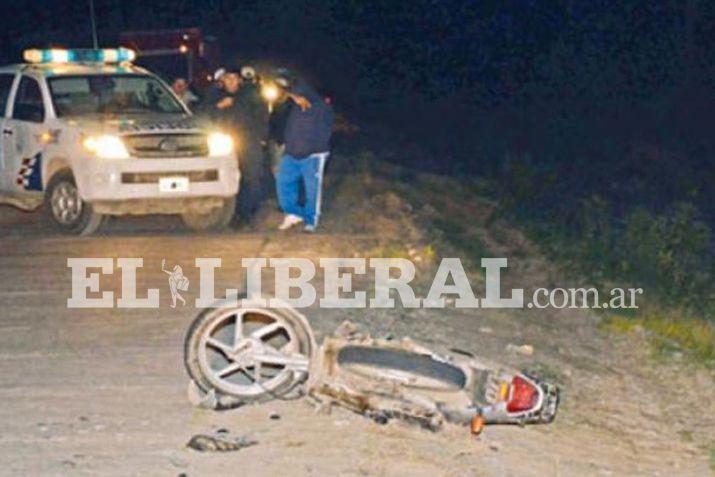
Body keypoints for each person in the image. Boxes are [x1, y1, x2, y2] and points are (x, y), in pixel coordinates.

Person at [274, 74, 334, 232]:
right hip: (291, 153)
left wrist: (314, 150)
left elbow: (325, 133)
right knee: (283, 183)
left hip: (313, 155)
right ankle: (294, 213)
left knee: (312, 189)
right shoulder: (293, 108)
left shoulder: (321, 108)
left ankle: (311, 221)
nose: (294, 98)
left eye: (297, 96)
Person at [213, 66, 269, 222]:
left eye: (233, 78)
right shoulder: (214, 96)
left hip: (248, 141)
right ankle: (231, 212)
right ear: (222, 80)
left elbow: (262, 116)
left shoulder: (250, 95)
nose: (230, 82)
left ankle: (247, 213)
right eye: (227, 78)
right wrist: (218, 107)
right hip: (222, 144)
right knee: (227, 177)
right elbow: (203, 115)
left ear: (239, 80)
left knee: (250, 177)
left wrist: (262, 137)